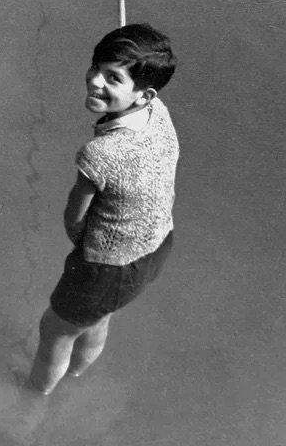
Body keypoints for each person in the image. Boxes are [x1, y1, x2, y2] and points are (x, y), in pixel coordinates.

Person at [27, 23, 178, 395]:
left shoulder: (100, 154)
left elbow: (74, 220)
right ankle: (76, 378)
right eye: (96, 67)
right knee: (96, 317)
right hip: (155, 249)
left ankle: (33, 400)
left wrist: (84, 253)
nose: (94, 81)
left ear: (144, 95)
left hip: (106, 269)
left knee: (55, 331)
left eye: (112, 78)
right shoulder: (158, 113)